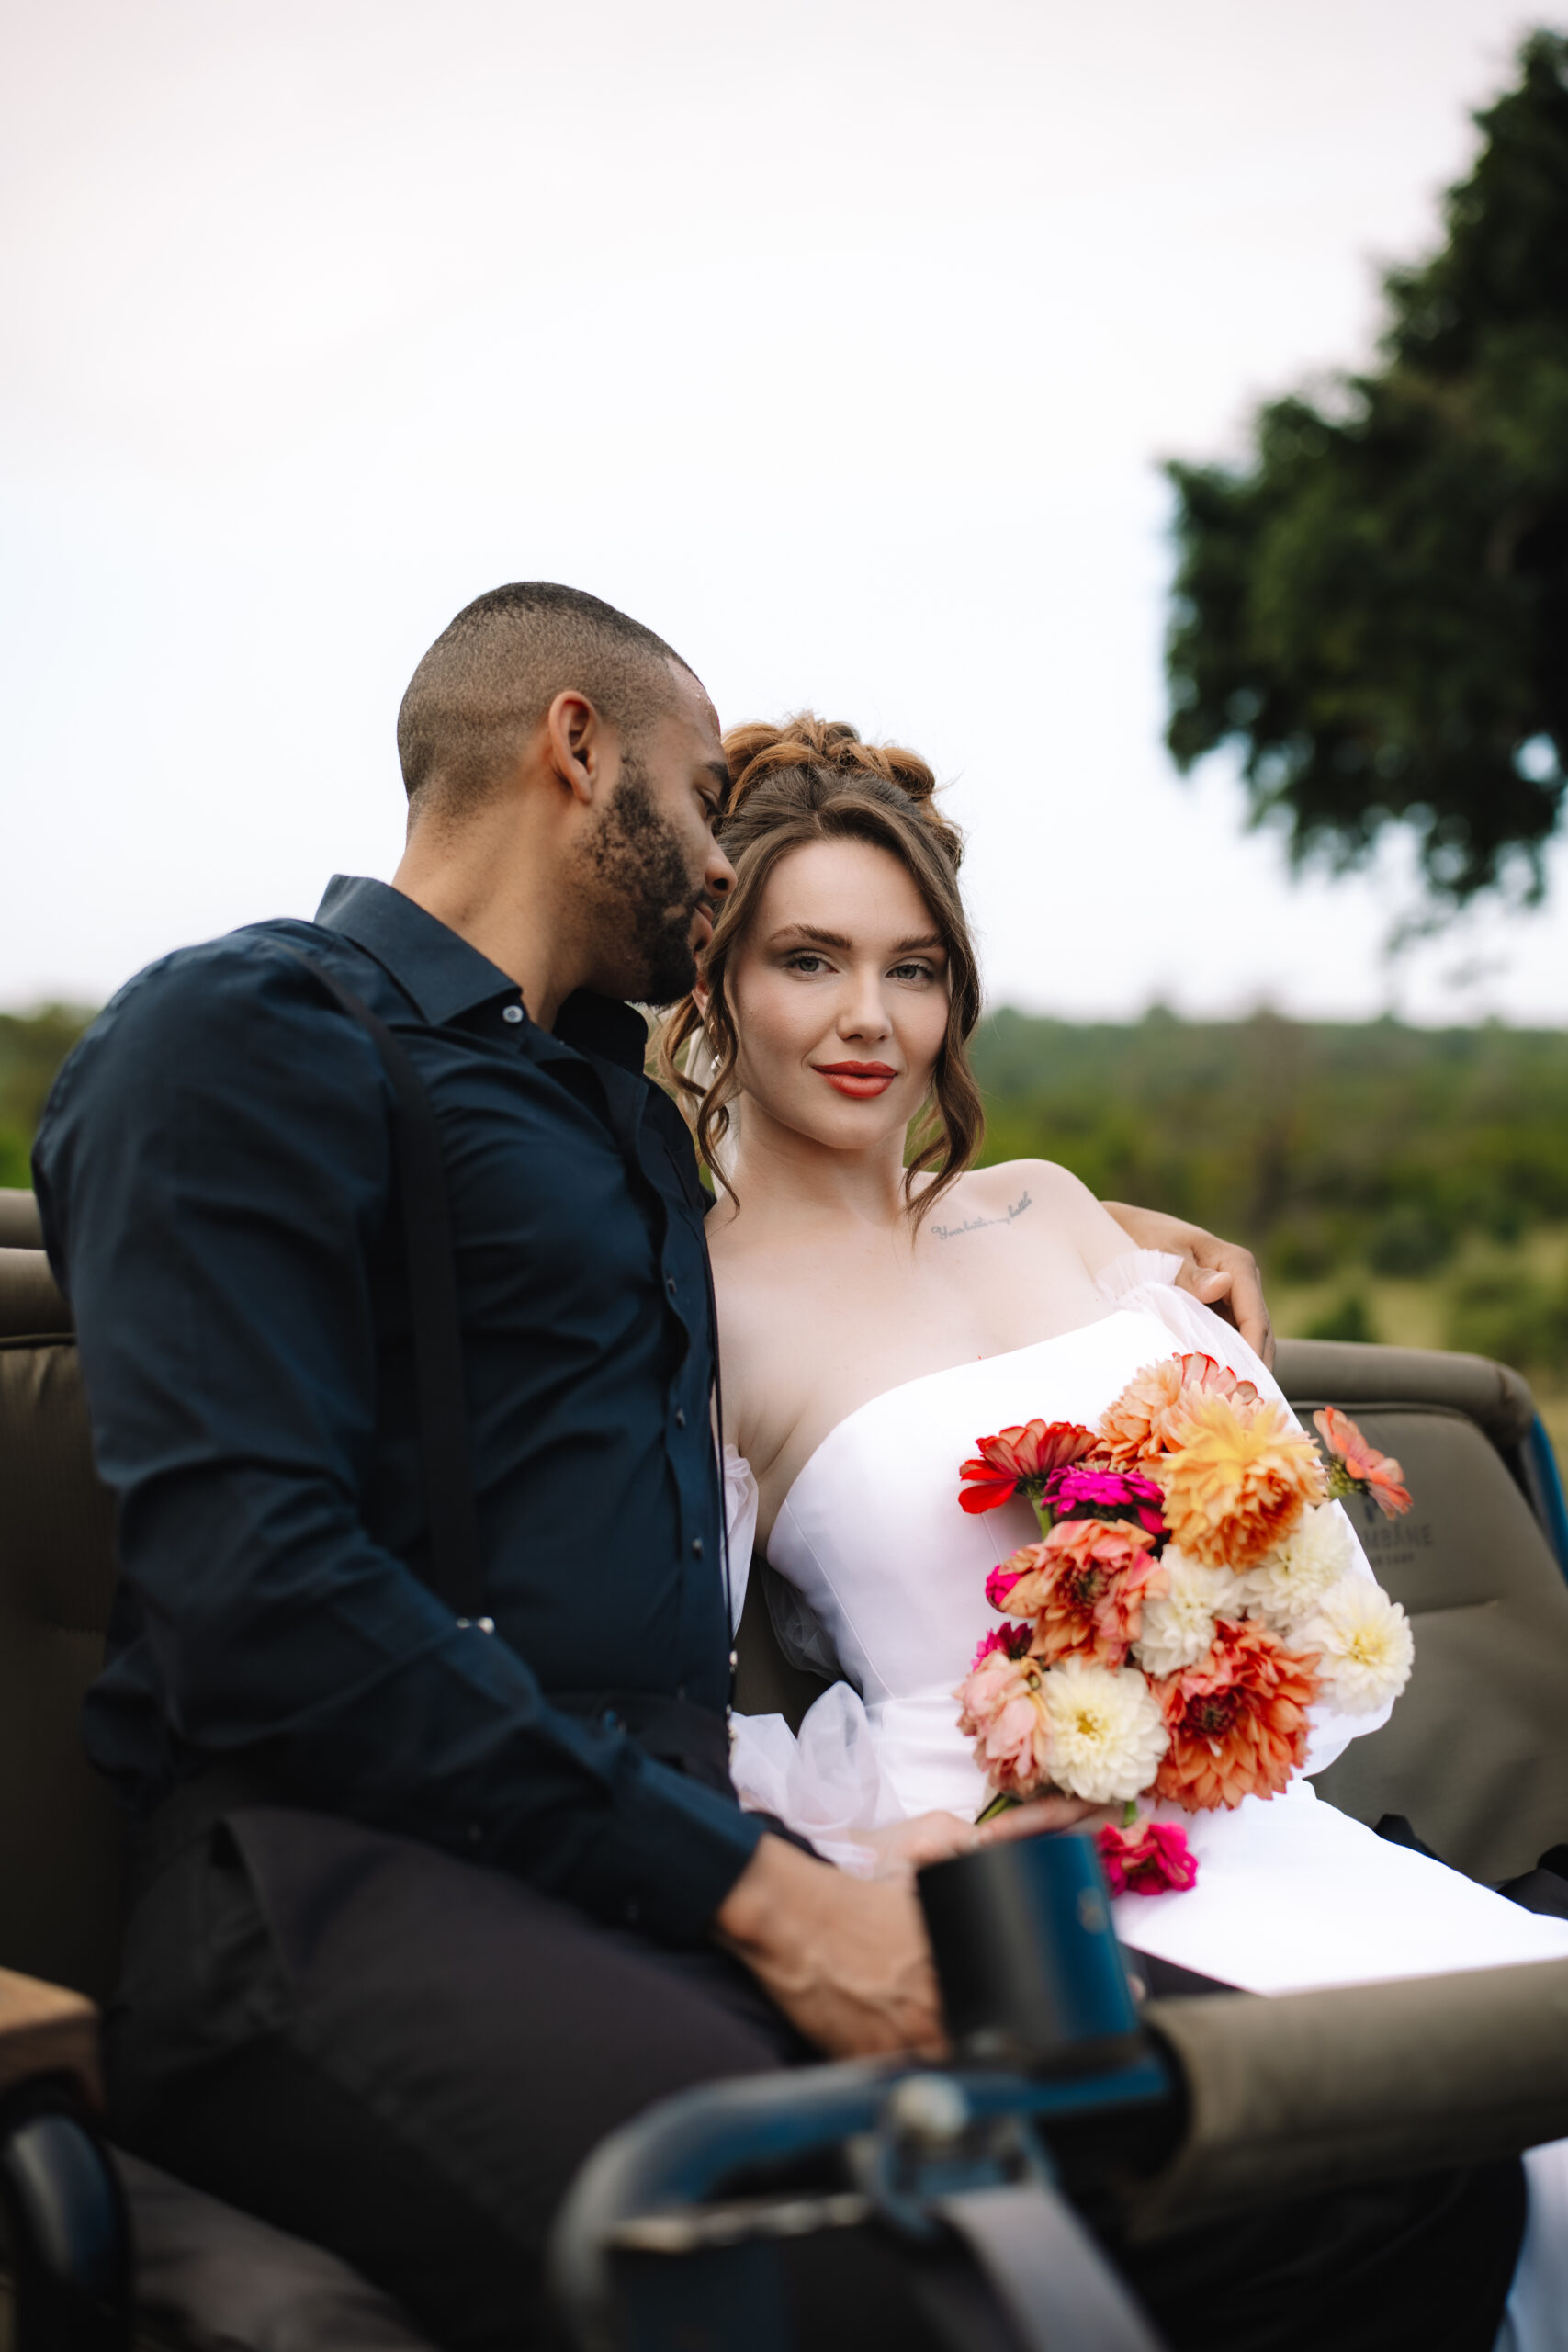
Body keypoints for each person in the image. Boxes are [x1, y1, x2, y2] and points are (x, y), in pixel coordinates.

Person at [32, 583, 1284, 2352]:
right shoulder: (244, 1035)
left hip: (649, 1862)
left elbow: (845, 1249)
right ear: (575, 749)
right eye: (707, 805)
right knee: (857, 2259)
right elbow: (261, 1599)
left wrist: (1120, 1259)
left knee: (1318, 2177)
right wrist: (769, 1897)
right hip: (333, 1872)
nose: (722, 863)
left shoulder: (598, 1113)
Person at [660, 713, 1568, 2351]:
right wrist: (850, 1867)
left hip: (1248, 1812)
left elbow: (1291, 1555)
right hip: (1014, 1869)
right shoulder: (697, 1311)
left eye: (916, 969)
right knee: (1445, 2154)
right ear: (717, 980)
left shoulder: (1049, 1207)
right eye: (809, 959)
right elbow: (660, 1693)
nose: (870, 1019)